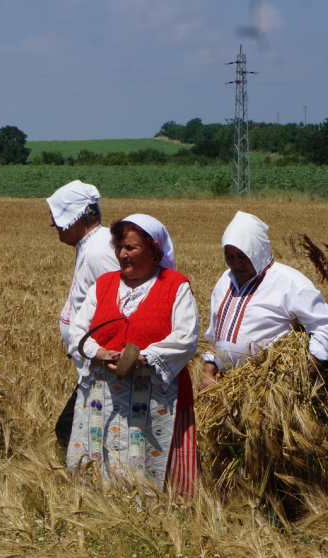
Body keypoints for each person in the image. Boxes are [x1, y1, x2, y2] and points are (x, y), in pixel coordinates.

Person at [67, 214, 199, 497]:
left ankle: (158, 513)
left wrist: (146, 357)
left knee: (153, 467)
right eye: (118, 247)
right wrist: (98, 352)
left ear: (153, 249)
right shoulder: (103, 285)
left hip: (155, 395)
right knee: (102, 463)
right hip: (105, 395)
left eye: (131, 247)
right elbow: (78, 332)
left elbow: (186, 337)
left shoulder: (175, 285)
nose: (122, 255)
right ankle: (103, 505)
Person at [200, 211, 328, 389]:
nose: (236, 264)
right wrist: (208, 372)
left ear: (258, 252)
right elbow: (214, 333)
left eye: (243, 256)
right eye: (230, 257)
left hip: (266, 393)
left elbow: (323, 326)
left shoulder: (291, 284)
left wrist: (305, 375)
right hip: (224, 389)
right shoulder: (225, 280)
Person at [48, 180, 119, 450]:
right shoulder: (91, 245)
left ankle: (90, 481)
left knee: (69, 428)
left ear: (76, 216)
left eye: (56, 217)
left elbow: (118, 305)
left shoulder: (99, 251)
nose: (52, 225)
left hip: (102, 364)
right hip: (93, 360)